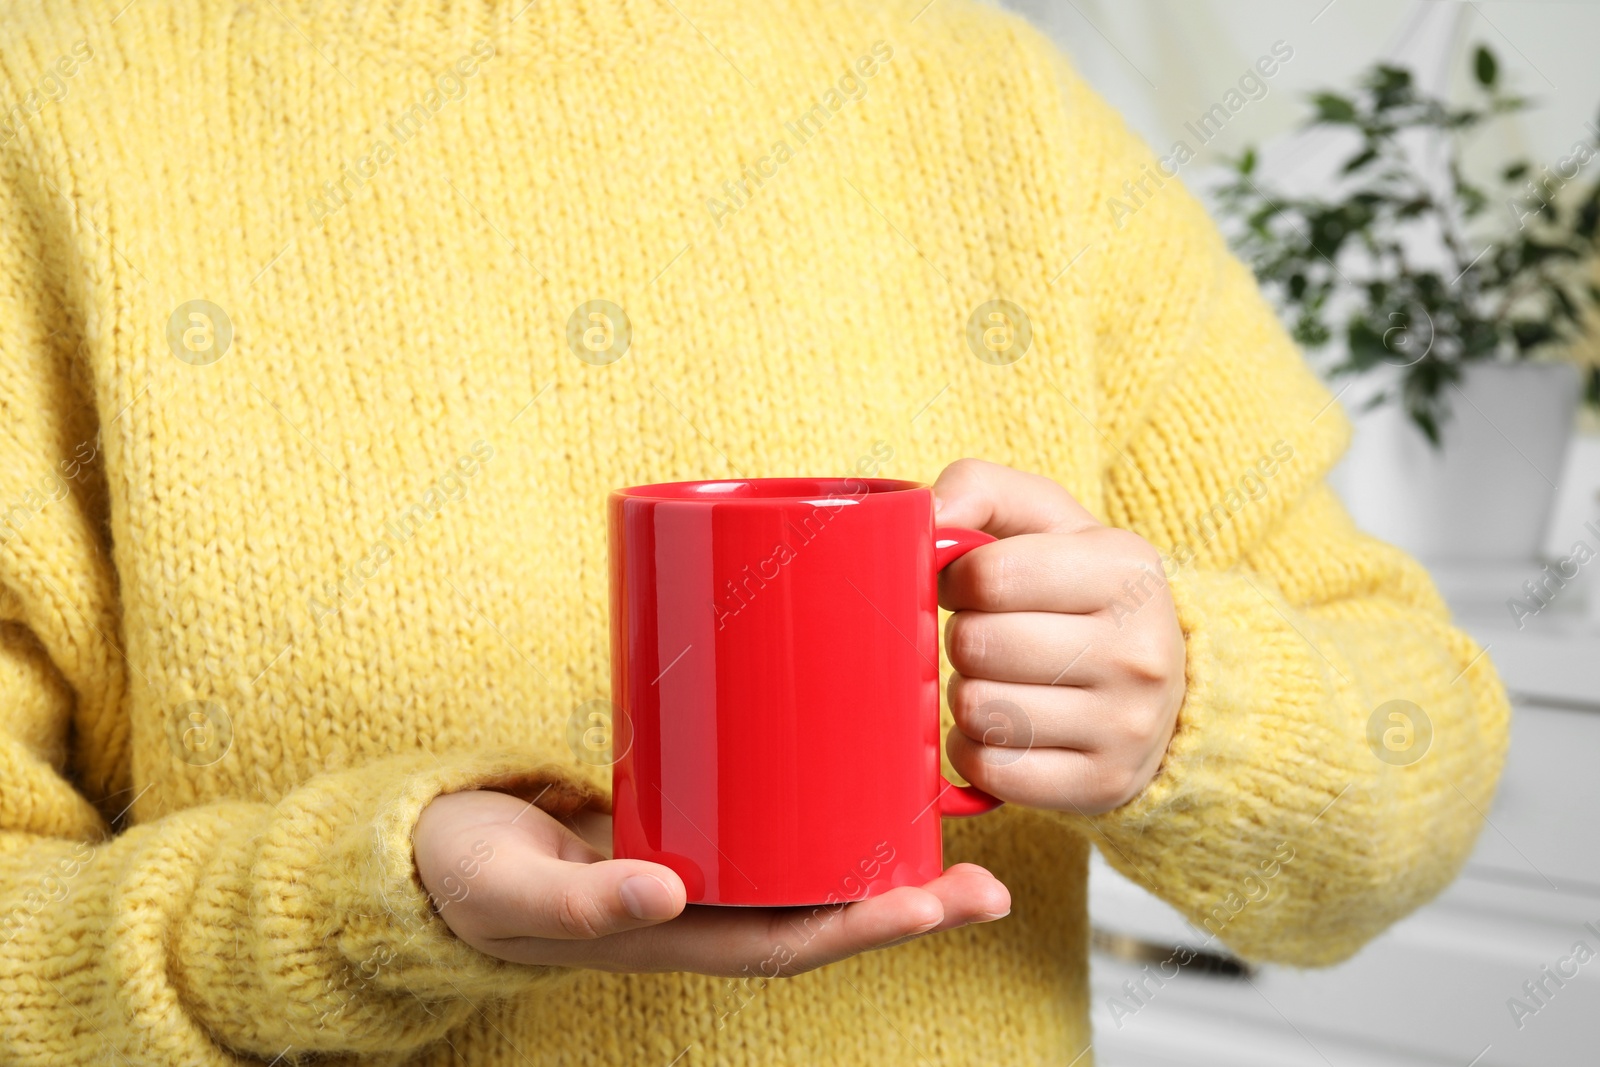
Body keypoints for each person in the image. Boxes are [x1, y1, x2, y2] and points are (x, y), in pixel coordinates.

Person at [0, 0, 1509, 1063]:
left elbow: (1415, 751)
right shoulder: (45, 101)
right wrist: (360, 910)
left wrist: (1199, 711)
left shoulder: (998, 105)